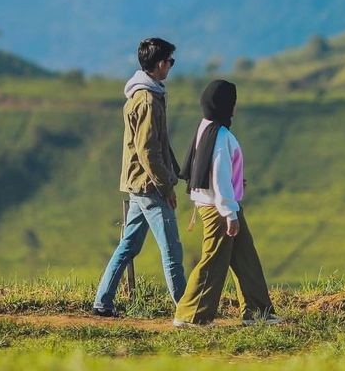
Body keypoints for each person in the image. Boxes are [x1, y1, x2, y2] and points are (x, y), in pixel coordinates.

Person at [173, 79, 281, 327]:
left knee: (245, 257)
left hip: (219, 204)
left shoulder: (206, 127)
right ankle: (190, 314)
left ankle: (258, 312)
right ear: (225, 105)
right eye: (233, 102)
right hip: (218, 208)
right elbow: (219, 175)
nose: (235, 107)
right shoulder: (220, 135)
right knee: (213, 260)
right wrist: (229, 211)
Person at [93, 37, 186, 316]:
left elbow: (157, 144)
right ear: (159, 64)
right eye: (170, 61)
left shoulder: (144, 94)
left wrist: (178, 171)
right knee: (172, 250)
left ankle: (102, 301)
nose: (171, 66)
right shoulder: (147, 100)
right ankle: (186, 309)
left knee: (129, 245)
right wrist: (166, 185)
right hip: (150, 186)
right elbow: (148, 150)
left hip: (138, 184)